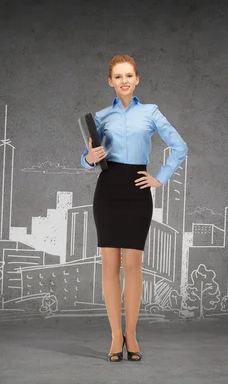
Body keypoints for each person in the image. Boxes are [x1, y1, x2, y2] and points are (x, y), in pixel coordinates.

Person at [80, 55, 188, 362]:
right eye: (118, 76)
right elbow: (85, 157)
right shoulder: (100, 117)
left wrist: (161, 177)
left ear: (137, 79)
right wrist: (88, 158)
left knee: (133, 267)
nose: (124, 80)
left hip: (138, 192)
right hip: (108, 190)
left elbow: (180, 147)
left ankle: (133, 335)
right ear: (110, 81)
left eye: (129, 75)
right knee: (110, 267)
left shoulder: (151, 112)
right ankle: (116, 336)